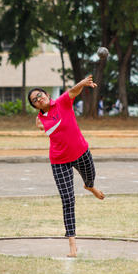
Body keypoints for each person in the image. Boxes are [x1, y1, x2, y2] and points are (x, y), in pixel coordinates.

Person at [28, 75, 105, 257]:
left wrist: (83, 83)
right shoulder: (40, 119)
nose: (39, 98)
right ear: (35, 106)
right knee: (68, 200)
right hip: (59, 161)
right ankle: (72, 244)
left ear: (46, 94)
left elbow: (72, 91)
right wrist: (40, 125)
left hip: (81, 152)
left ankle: (89, 186)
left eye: (40, 94)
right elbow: (41, 125)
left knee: (90, 177)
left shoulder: (61, 103)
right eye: (34, 100)